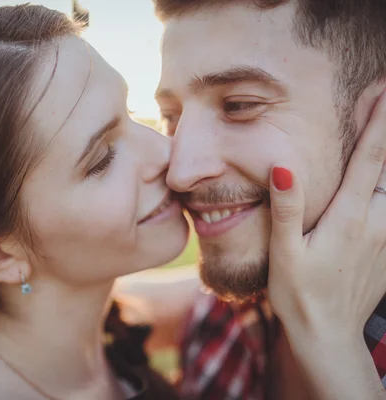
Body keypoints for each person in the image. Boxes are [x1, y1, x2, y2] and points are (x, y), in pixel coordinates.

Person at [0, 4, 386, 400]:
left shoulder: (150, 324)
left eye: (140, 118)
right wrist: (337, 353)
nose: (172, 159)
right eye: (102, 159)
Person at [117, 0, 386, 399]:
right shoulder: (238, 299)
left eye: (240, 106)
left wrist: (335, 354)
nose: (181, 170)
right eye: (170, 116)